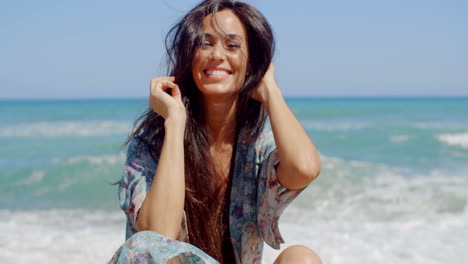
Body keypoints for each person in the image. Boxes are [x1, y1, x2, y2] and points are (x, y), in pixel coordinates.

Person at [109, 0, 322, 263]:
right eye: (205, 43)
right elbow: (156, 239)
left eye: (232, 45)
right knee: (147, 244)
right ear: (189, 57)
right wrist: (175, 122)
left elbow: (304, 169)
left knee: (301, 257)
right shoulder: (150, 144)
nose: (217, 55)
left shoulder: (256, 145)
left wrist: (270, 90)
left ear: (251, 63)